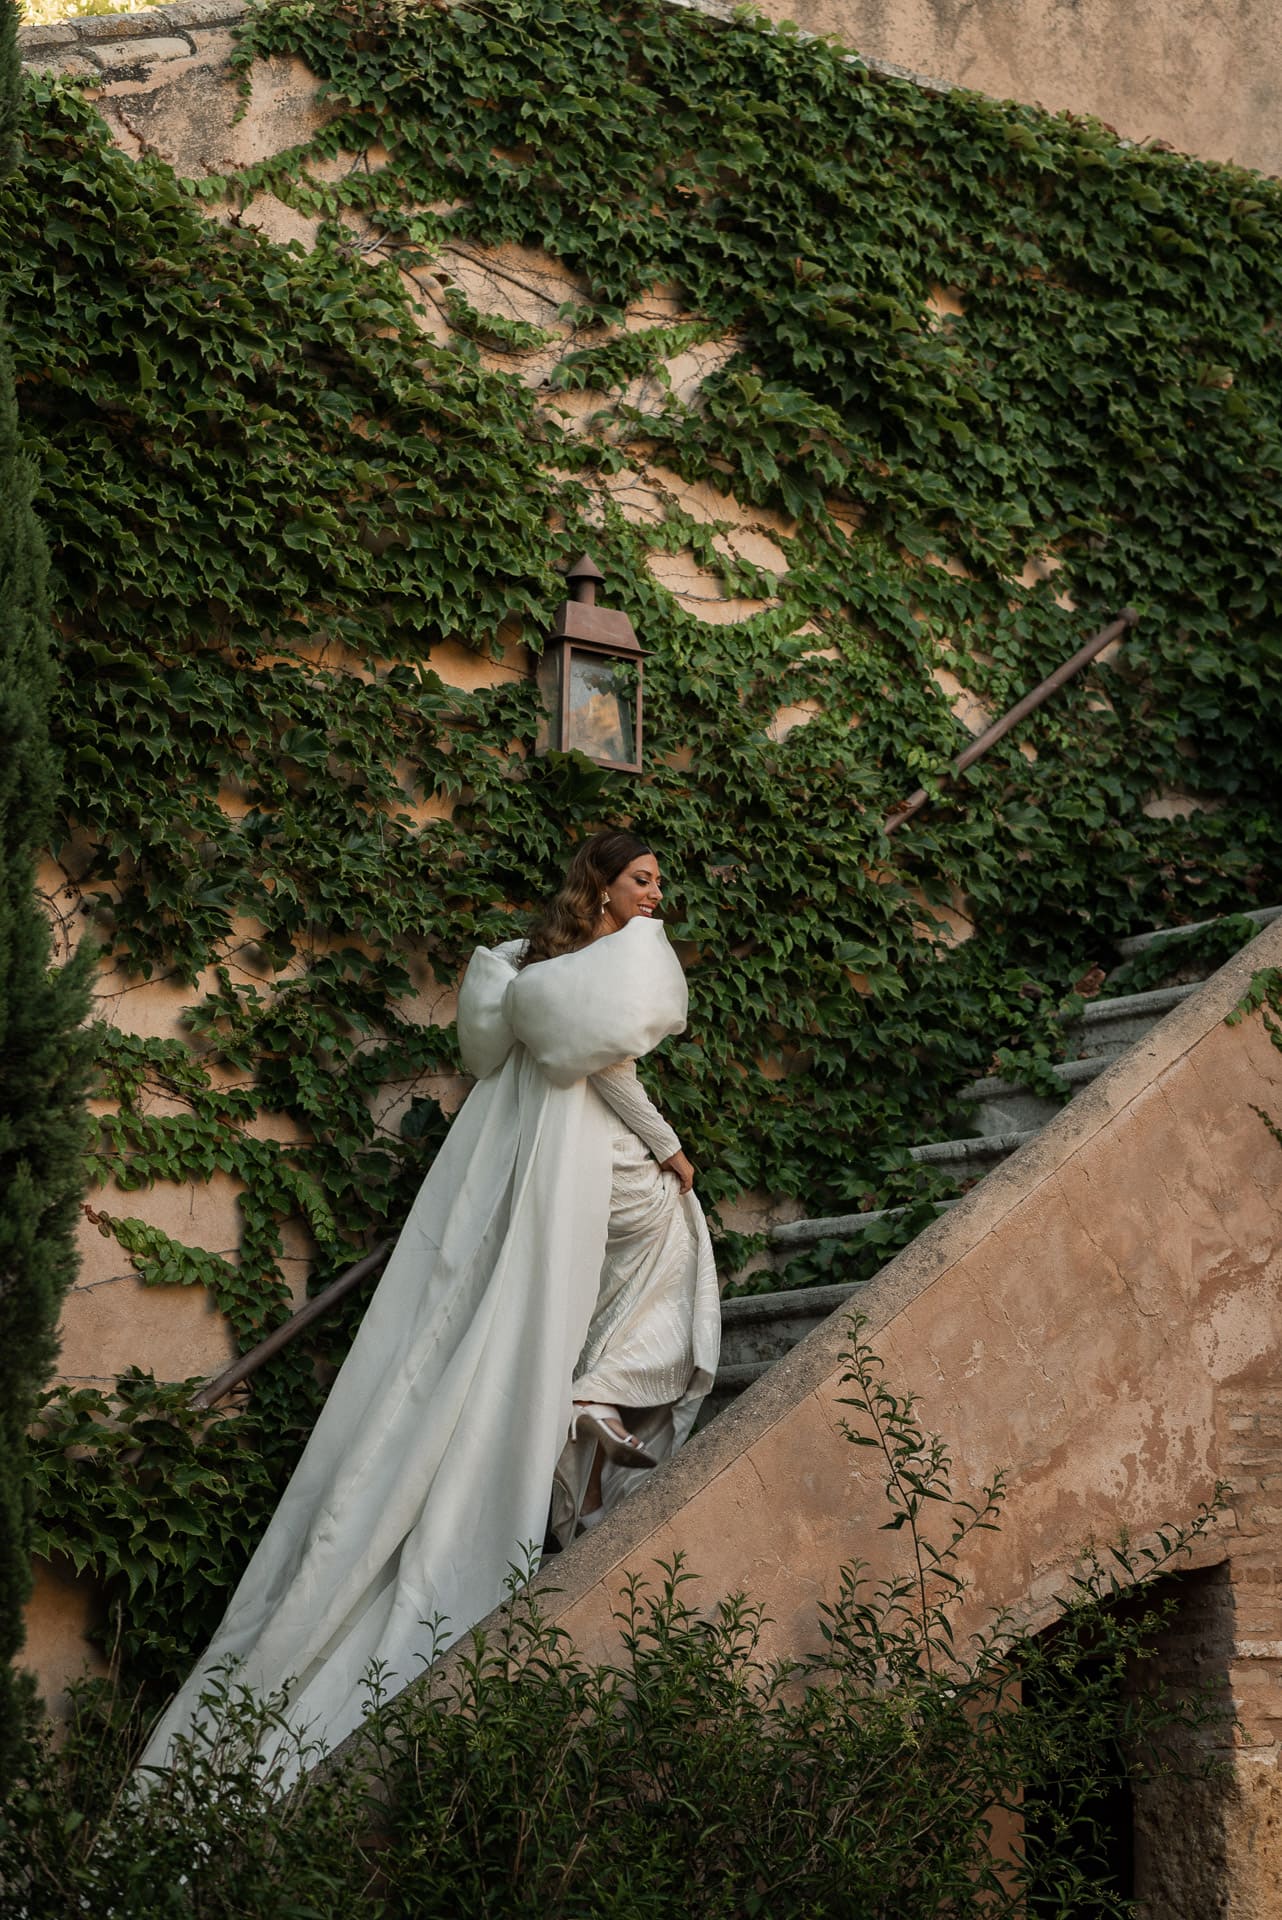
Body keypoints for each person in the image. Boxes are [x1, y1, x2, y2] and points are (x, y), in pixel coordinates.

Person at [137, 830, 720, 1780]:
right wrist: (668, 1144)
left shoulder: (539, 963)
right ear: (603, 889)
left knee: (626, 1256)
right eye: (643, 879)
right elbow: (611, 1067)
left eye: (660, 880)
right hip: (564, 1146)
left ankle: (586, 1400)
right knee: (671, 1229)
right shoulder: (590, 963)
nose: (658, 894)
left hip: (536, 1144)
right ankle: (591, 1401)